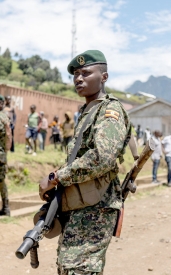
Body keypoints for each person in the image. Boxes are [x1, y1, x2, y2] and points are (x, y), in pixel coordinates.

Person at [39, 50, 131, 274]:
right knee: (67, 266)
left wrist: (56, 177)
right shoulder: (87, 111)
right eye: (76, 74)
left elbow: (102, 157)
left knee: (78, 268)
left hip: (95, 209)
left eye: (86, 73)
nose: (79, 79)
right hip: (79, 204)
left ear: (104, 77)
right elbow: (79, 158)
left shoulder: (110, 110)